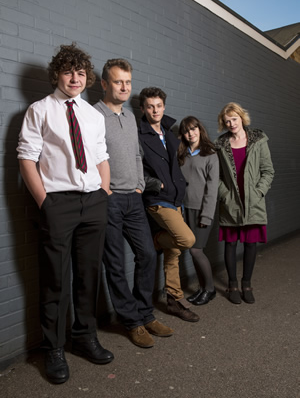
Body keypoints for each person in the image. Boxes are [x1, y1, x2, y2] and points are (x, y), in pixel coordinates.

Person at [17, 43, 114, 384]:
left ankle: (85, 337)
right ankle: (54, 348)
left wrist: (103, 191)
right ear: (57, 74)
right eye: (69, 71)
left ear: (87, 78)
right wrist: (46, 202)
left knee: (88, 275)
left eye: (81, 72)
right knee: (56, 280)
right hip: (58, 204)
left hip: (93, 203)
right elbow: (26, 158)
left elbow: (101, 156)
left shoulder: (93, 115)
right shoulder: (40, 110)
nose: (75, 77)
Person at [94, 59, 173, 349]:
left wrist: (140, 185)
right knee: (114, 263)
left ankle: (144, 313)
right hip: (110, 200)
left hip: (134, 199)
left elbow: (137, 155)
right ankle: (131, 321)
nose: (125, 87)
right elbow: (89, 158)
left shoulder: (129, 117)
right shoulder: (93, 116)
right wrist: (106, 192)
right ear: (104, 84)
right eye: (118, 82)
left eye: (128, 82)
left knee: (148, 255)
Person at [138, 87, 199, 323]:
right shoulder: (139, 135)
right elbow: (136, 170)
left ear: (164, 107)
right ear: (143, 108)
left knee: (173, 251)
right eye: (150, 106)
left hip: (176, 199)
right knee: (187, 239)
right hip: (157, 199)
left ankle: (174, 299)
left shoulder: (170, 132)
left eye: (159, 105)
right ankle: (155, 241)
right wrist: (158, 185)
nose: (155, 110)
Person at [215, 102, 274, 304]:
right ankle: (232, 284)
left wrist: (258, 192)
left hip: (253, 201)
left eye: (234, 118)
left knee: (250, 244)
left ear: (242, 117)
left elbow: (268, 171)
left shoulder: (258, 140)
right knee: (230, 244)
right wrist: (225, 195)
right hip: (231, 202)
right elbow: (217, 176)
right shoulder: (221, 144)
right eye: (227, 120)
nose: (231, 123)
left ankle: (246, 283)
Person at [178, 116, 219, 305]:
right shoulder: (183, 154)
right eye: (187, 131)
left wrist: (207, 215)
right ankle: (203, 288)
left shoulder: (210, 154)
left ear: (200, 130)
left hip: (202, 210)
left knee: (196, 251)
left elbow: (212, 188)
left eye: (194, 129)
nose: (191, 133)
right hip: (185, 209)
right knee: (192, 250)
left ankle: (210, 289)